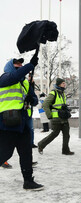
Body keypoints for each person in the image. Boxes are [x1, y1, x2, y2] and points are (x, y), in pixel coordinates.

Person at [0, 56, 44, 190]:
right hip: (7, 123)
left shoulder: (24, 82)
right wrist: (30, 65)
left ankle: (28, 181)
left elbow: (35, 100)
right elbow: (15, 76)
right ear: (10, 67)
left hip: (23, 123)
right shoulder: (5, 77)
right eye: (16, 64)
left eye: (20, 64)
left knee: (26, 153)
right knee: (5, 153)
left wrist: (32, 99)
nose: (19, 66)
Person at [38, 78, 74, 155]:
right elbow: (45, 104)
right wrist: (49, 116)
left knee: (66, 134)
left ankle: (65, 150)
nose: (65, 84)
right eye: (63, 83)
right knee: (54, 134)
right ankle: (41, 144)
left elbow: (60, 105)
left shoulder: (63, 94)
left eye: (65, 83)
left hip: (63, 117)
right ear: (59, 84)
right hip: (56, 118)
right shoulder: (53, 93)